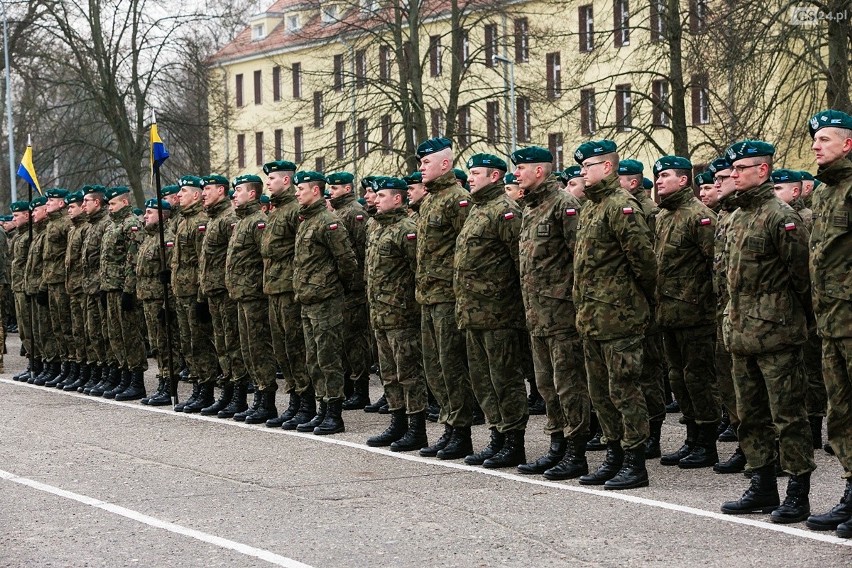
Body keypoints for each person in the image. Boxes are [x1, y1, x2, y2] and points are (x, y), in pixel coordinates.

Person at [719, 140, 815, 524]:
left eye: (741, 169)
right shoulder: (738, 216)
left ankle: (797, 490)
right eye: (733, 170)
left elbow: (802, 278)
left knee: (788, 415)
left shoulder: (781, 217)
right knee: (750, 415)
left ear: (762, 171)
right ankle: (761, 483)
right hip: (741, 333)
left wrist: (794, 321)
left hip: (777, 334)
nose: (733, 175)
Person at [573, 140, 656, 490]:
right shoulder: (591, 207)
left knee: (625, 391)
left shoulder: (622, 206)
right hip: (592, 317)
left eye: (588, 166)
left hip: (619, 317)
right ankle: (614, 454)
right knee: (601, 394)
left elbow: (645, 262)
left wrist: (635, 303)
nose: (582, 172)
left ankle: (635, 461)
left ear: (607, 168)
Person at [512, 146, 590, 480]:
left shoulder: (564, 205)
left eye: (521, 169)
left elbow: (579, 261)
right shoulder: (529, 208)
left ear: (540, 171)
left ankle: (577, 452)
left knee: (569, 386)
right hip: (537, 316)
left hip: (561, 315)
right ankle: (557, 445)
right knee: (546, 386)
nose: (516, 174)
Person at [455, 153, 528, 468]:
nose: (470, 178)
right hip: (474, 313)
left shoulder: (505, 211)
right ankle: (497, 436)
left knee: (505, 380)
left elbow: (519, 263)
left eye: (477, 173)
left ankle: (514, 442)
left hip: (499, 313)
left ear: (496, 177)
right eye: (470, 173)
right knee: (483, 380)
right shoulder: (478, 209)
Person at [652, 156, 719, 468]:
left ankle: (707, 442)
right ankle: (692, 438)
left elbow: (715, 265)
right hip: (669, 313)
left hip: (696, 314)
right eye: (657, 176)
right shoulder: (664, 217)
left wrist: (708, 305)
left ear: (683, 180)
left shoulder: (699, 216)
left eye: (665, 175)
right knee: (679, 379)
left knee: (698, 379)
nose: (659, 181)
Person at [804, 110, 852, 538]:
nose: (816, 146)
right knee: (841, 415)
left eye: (824, 139)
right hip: (831, 322)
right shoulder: (824, 193)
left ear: (847, 144)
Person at [414, 137, 475, 460]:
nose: (421, 167)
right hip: (428, 296)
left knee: (452, 366)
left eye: (426, 162)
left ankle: (461, 431)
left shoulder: (458, 200)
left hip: (448, 297)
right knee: (435, 366)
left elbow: (467, 253)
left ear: (445, 164)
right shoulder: (429, 201)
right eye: (421, 163)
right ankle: (449, 425)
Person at [364, 177, 428, 450]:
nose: (376, 200)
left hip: (402, 315)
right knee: (388, 374)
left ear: (397, 199)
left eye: (381, 196)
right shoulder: (377, 228)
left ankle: (417, 428)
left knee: (409, 373)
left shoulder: (407, 229)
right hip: (380, 314)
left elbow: (420, 270)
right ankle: (397, 421)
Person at [293, 170, 358, 435]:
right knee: (314, 359)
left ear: (316, 191)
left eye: (302, 188)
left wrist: (332, 287)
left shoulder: (328, 221)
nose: (297, 193)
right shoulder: (306, 220)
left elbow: (347, 261)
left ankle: (334, 413)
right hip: (308, 300)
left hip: (326, 300)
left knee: (328, 357)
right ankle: (322, 409)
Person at [617, 159, 667, 458]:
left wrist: (648, 297)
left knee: (648, 370)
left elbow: (646, 262)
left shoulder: (646, 212)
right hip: (629, 303)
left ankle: (653, 433)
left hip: (643, 301)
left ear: (632, 183)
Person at [260, 160, 314, 429]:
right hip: (274, 288)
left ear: (286, 181)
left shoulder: (294, 211)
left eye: (271, 179)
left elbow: (300, 252)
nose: (268, 183)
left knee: (295, 347)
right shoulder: (275, 210)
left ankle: (306, 402)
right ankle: (294, 399)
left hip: (289, 289)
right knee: (282, 349)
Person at [227, 174, 281, 424]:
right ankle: (259, 395)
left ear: (252, 194)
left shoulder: (258, 221)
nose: (234, 194)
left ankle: (267, 400)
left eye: (238, 190)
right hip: (242, 294)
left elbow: (266, 257)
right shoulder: (242, 221)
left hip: (255, 295)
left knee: (260, 348)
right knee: (248, 349)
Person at [708, 157, 747, 474]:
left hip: (755, 317)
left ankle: (759, 451)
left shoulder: (750, 214)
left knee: (749, 390)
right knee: (729, 383)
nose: (719, 181)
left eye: (726, 176)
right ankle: (745, 445)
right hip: (724, 313)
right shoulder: (725, 216)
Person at [171, 176, 220, 413]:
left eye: (183, 192)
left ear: (196, 195)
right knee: (188, 342)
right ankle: (198, 385)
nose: (178, 196)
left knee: (200, 342)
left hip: (194, 291)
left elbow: (203, 262)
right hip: (182, 290)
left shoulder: (200, 222)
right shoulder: (184, 221)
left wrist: (201, 296)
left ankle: (207, 388)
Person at [195, 174, 243, 415]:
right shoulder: (213, 219)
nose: (204, 193)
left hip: (226, 291)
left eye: (208, 188)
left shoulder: (229, 218)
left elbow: (233, 259)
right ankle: (227, 391)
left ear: (221, 191)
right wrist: (202, 295)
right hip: (213, 291)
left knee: (233, 344)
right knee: (222, 344)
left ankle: (238, 394)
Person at [326, 171, 373, 410]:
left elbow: (362, 252)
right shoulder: (337, 212)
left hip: (354, 287)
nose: (330, 193)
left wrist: (356, 282)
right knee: (344, 339)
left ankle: (360, 388)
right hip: (343, 287)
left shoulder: (355, 212)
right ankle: (348, 385)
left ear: (346, 189)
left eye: (334, 189)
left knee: (355, 341)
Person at [98, 186, 148, 400]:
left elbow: (133, 260)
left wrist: (129, 290)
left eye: (113, 203)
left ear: (125, 203)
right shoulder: (111, 226)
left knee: (130, 336)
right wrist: (103, 286)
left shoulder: (131, 225)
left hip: (123, 288)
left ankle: (136, 381)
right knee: (116, 335)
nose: (109, 207)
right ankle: (124, 376)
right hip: (110, 287)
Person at [135, 199, 179, 405]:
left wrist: (167, 304)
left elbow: (171, 275)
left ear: (162, 215)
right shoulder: (149, 239)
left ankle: (169, 384)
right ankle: (162, 380)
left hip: (160, 300)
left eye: (150, 212)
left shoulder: (167, 239)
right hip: (147, 298)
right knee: (156, 345)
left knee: (166, 344)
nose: (145, 216)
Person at [79, 186, 116, 394]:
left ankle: (112, 374)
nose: (84, 205)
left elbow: (106, 260)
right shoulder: (92, 225)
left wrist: (103, 286)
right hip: (90, 287)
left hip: (101, 287)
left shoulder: (104, 224)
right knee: (93, 332)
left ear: (97, 202)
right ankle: (101, 373)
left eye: (86, 201)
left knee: (106, 333)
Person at [55, 191, 89, 389]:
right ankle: (75, 369)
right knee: (73, 330)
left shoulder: (83, 228)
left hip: (84, 286)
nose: (70, 210)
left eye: (72, 207)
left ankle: (92, 372)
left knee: (87, 332)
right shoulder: (73, 229)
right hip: (72, 286)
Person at [25, 197, 52, 384]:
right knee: (35, 330)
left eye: (37, 210)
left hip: (50, 285)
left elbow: (49, 263)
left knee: (49, 330)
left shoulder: (50, 231)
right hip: (32, 286)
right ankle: (40, 364)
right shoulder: (37, 234)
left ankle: (54, 366)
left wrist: (42, 286)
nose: (33, 214)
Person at [9, 201, 32, 380]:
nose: (13, 219)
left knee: (32, 327)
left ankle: (39, 364)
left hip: (28, 287)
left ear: (27, 215)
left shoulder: (30, 235)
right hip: (18, 286)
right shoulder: (18, 236)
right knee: (23, 328)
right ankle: (32, 363)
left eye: (17, 215)